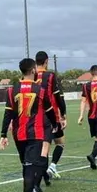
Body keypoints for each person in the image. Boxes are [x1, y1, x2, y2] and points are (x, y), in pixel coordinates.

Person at [1, 58, 56, 192]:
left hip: (19, 134)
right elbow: (49, 110)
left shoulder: (12, 90)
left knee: (26, 165)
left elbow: (8, 113)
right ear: (33, 70)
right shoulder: (40, 90)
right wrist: (55, 123)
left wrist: (3, 133)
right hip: (35, 133)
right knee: (32, 167)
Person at [35, 51, 67, 179]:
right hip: (51, 115)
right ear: (46, 61)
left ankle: (44, 176)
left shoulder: (31, 75)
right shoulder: (50, 76)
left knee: (44, 146)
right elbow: (57, 96)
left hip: (36, 117)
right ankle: (52, 166)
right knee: (60, 143)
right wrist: (63, 114)